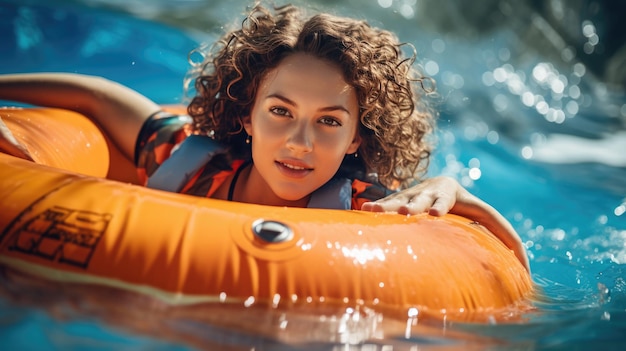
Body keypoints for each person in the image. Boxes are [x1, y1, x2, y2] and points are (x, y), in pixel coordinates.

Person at [0, 4, 529, 271]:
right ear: (247, 116)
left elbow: (509, 262)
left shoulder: (366, 210)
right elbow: (96, 95)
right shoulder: (189, 162)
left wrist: (455, 191)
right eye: (280, 111)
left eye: (328, 121)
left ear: (353, 139)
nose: (300, 142)